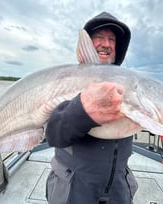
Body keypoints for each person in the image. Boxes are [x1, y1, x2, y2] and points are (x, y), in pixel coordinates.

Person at [45, 11, 137, 204]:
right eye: (99, 37)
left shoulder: (131, 84)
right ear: (86, 44)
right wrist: (83, 111)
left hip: (118, 187)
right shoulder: (65, 80)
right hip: (75, 188)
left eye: (112, 39)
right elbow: (53, 135)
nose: (106, 43)